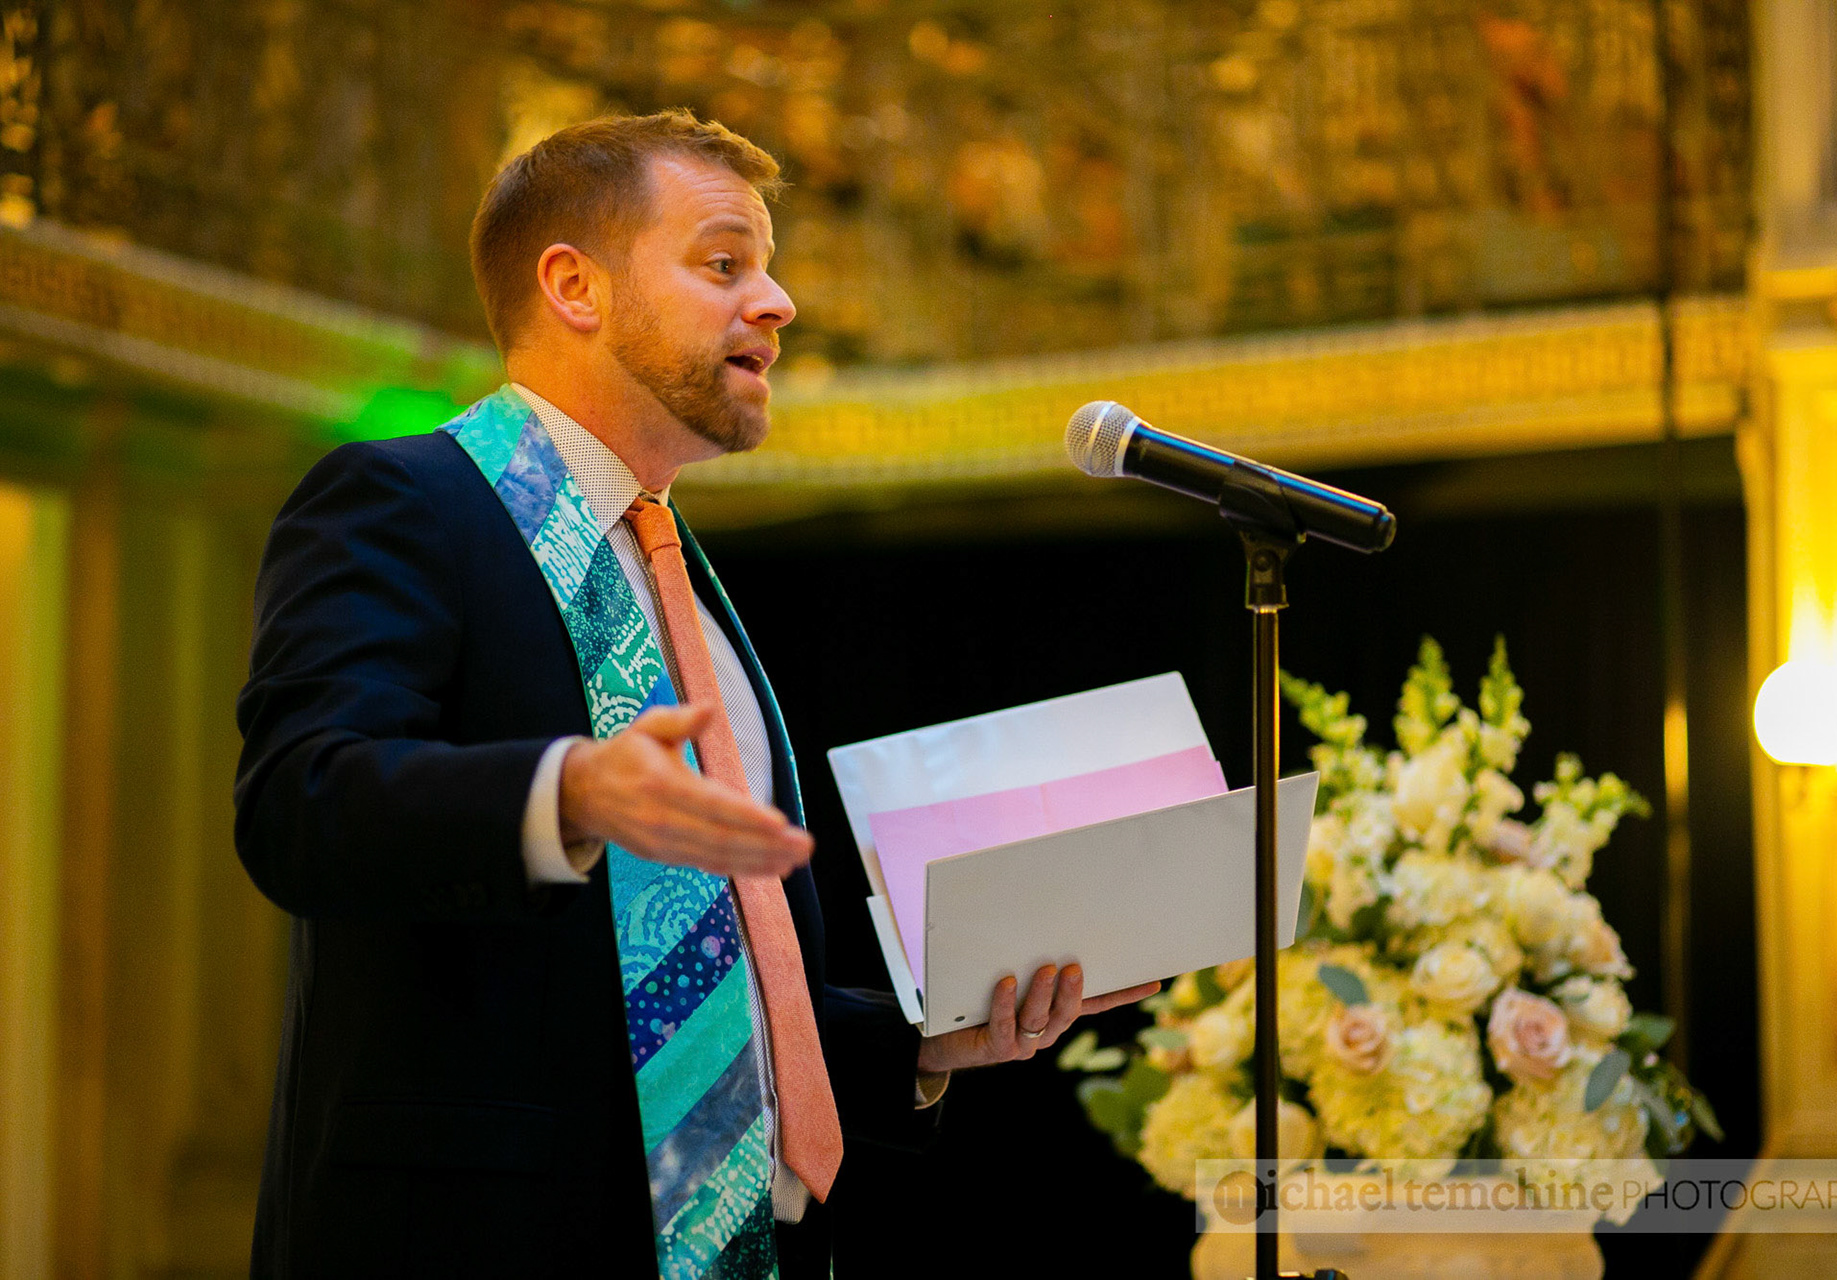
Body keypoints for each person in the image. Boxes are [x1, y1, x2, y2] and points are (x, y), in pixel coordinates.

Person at [234, 109, 1155, 1279]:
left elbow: (699, 985)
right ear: (576, 285)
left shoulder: (681, 577)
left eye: (768, 270)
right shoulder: (403, 500)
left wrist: (920, 1044)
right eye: (726, 263)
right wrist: (566, 790)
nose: (778, 303)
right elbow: (298, 802)